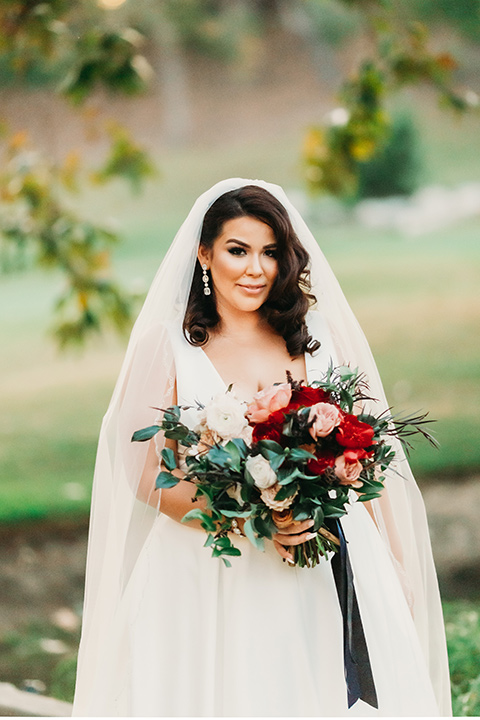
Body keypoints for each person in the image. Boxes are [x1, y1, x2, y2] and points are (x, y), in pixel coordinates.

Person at [73, 178, 451, 716]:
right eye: (237, 250)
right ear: (204, 254)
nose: (255, 269)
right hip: (209, 570)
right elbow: (141, 472)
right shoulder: (171, 347)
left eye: (270, 253)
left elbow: (365, 454)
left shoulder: (318, 335)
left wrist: (392, 564)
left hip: (329, 559)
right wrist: (253, 521)